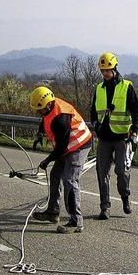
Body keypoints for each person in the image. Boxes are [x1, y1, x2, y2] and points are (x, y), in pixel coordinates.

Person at [30, 86, 92, 234]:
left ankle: (76, 221)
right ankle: (52, 212)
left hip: (79, 145)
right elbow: (45, 118)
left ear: (49, 104)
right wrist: (40, 134)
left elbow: (61, 149)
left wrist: (47, 160)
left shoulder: (61, 117)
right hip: (67, 147)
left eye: (41, 109)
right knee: (55, 175)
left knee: (70, 180)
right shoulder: (50, 105)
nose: (39, 113)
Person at [90, 52, 138, 220]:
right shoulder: (99, 88)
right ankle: (105, 207)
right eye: (102, 70)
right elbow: (92, 112)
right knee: (102, 173)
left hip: (122, 138)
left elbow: (136, 112)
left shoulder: (127, 87)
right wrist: (95, 125)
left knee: (121, 171)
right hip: (104, 139)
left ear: (114, 69)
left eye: (108, 70)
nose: (105, 73)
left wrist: (135, 130)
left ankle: (125, 197)